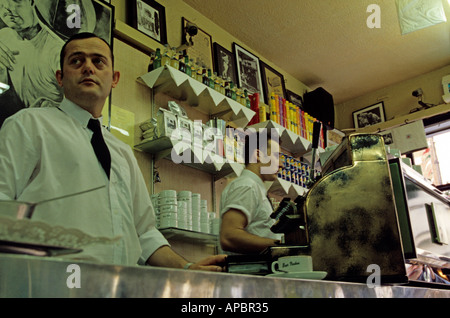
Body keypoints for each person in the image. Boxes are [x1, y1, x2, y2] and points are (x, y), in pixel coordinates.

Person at [0, 32, 225, 271]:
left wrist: (187, 267)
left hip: (119, 287)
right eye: (76, 61)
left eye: (98, 61)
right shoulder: (28, 125)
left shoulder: (122, 152)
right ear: (60, 77)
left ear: (114, 78)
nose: (88, 67)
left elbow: (145, 233)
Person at [219, 128, 283, 254]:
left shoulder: (254, 187)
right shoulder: (247, 186)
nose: (281, 164)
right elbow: (229, 237)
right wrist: (282, 246)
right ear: (258, 155)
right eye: (276, 156)